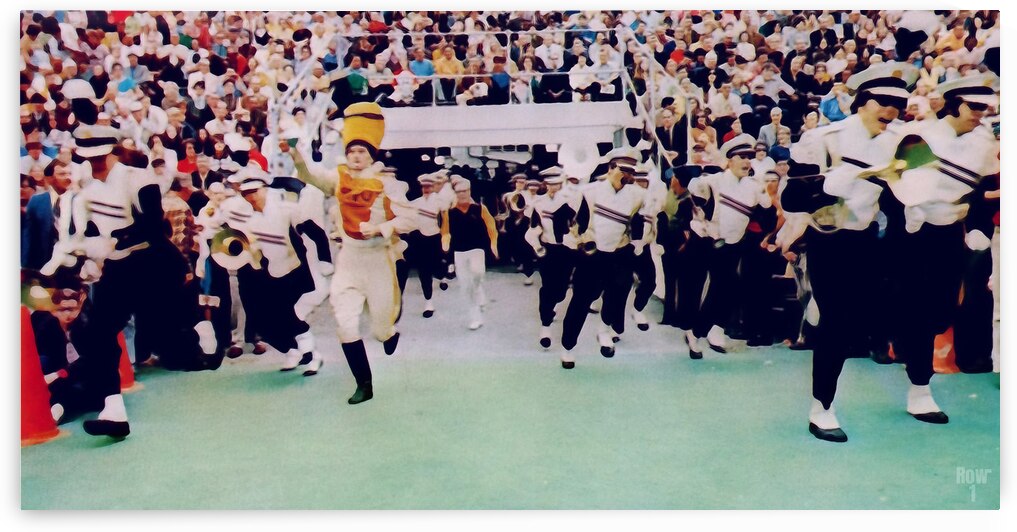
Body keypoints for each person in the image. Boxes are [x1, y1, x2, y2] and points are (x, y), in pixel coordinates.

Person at [42, 81, 222, 439]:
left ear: (111, 151)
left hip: (154, 261)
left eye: (98, 155)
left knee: (174, 326)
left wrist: (117, 238)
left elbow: (156, 229)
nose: (93, 162)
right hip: (120, 268)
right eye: (86, 155)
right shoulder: (85, 188)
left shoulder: (138, 179)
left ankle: (205, 331)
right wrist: (74, 256)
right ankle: (114, 411)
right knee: (96, 334)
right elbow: (80, 234)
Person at [781, 62, 922, 443]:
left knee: (873, 313)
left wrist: (913, 206)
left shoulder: (902, 139)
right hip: (829, 236)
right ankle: (821, 407)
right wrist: (828, 186)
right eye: (883, 101)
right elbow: (790, 198)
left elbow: (913, 182)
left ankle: (819, 309)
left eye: (899, 101)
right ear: (861, 102)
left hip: (868, 238)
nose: (892, 109)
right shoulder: (825, 138)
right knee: (837, 326)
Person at [292, 102, 416, 405]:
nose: (356, 156)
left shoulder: (389, 185)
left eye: (361, 151)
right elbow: (308, 174)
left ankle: (389, 333)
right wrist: (295, 152)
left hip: (378, 261)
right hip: (348, 259)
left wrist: (383, 229)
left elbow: (411, 220)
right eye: (351, 151)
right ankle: (364, 384)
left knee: (379, 328)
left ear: (371, 154)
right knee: (345, 322)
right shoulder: (338, 179)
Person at [685, 134, 772, 355]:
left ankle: (712, 329)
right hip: (712, 242)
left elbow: (767, 212)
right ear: (729, 160)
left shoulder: (753, 186)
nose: (746, 161)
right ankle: (697, 332)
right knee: (722, 286)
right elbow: (694, 188)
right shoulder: (716, 181)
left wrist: (765, 195)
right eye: (741, 156)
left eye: (749, 157)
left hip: (735, 244)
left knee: (729, 288)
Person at [559, 149, 645, 368]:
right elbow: (568, 221)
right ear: (610, 169)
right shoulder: (589, 192)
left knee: (620, 289)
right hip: (592, 255)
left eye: (630, 171)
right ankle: (568, 347)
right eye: (623, 170)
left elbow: (636, 222)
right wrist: (574, 242)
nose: (627, 175)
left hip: (619, 253)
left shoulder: (636, 195)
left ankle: (604, 329)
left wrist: (636, 242)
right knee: (581, 301)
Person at [524, 166, 582, 349]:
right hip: (548, 251)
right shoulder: (538, 203)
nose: (553, 187)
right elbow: (533, 226)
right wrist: (537, 245)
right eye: (550, 184)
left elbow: (578, 225)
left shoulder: (571, 200)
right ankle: (545, 326)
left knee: (562, 290)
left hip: (566, 251)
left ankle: (552, 307)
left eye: (556, 184)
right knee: (547, 288)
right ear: (545, 184)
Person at [440, 177, 499, 330]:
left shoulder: (480, 208)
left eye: (464, 191)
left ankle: (479, 290)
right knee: (465, 286)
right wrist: (445, 243)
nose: (462, 194)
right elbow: (445, 231)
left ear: (469, 191)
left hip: (477, 249)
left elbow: (491, 227)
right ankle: (475, 317)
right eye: (458, 192)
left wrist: (493, 244)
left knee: (477, 273)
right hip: (459, 251)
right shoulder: (450, 212)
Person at [407, 169, 455, 318]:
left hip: (435, 238)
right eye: (424, 187)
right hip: (420, 240)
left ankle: (443, 275)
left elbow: (445, 222)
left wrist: (445, 238)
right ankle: (428, 302)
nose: (426, 189)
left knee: (438, 266)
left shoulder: (441, 202)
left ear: (433, 187)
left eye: (429, 186)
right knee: (424, 271)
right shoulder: (415, 203)